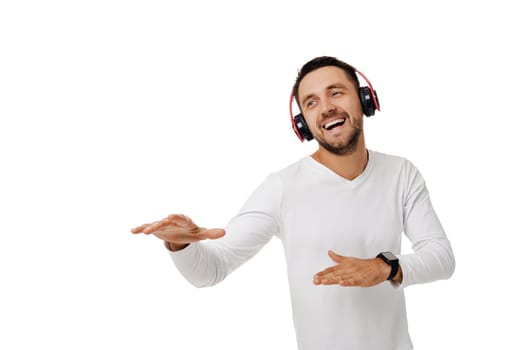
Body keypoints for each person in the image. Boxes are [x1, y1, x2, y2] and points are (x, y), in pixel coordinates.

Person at [131, 56, 455, 350]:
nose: (325, 107)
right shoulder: (283, 187)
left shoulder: (401, 173)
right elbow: (210, 271)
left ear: (365, 99)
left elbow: (442, 257)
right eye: (311, 102)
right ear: (303, 123)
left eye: (336, 92)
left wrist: (386, 267)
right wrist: (180, 246)